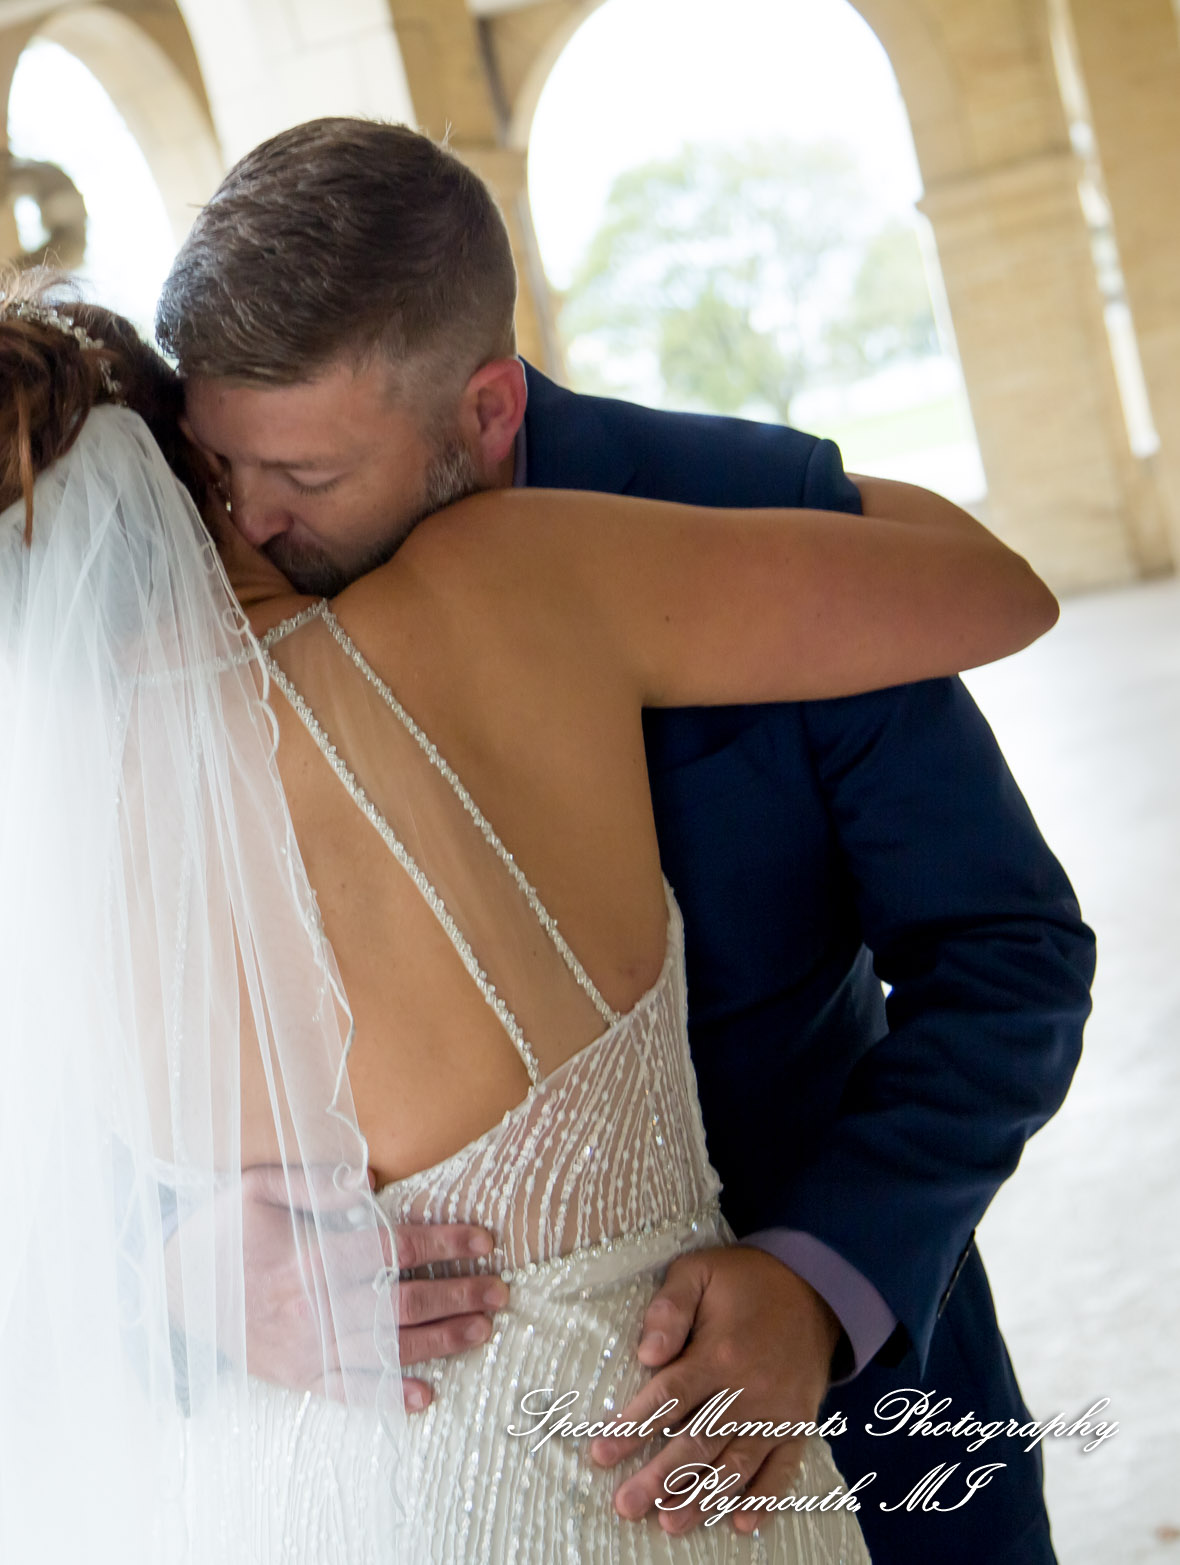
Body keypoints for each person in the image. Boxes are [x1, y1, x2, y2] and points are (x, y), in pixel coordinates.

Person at [0, 260, 1055, 1562]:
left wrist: (189, 1260)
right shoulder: (499, 587)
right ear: (200, 455)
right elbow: (997, 589)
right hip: (627, 1482)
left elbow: (42, 1195)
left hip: (283, 1499)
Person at [153, 119, 1096, 1565]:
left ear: (482, 409)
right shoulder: (202, 602)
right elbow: (102, 1045)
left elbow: (1007, 952)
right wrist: (197, 1258)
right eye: (223, 470)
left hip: (867, 1415)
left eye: (309, 476)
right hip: (448, 1484)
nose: (254, 530)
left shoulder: (757, 518)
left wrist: (823, 1276)